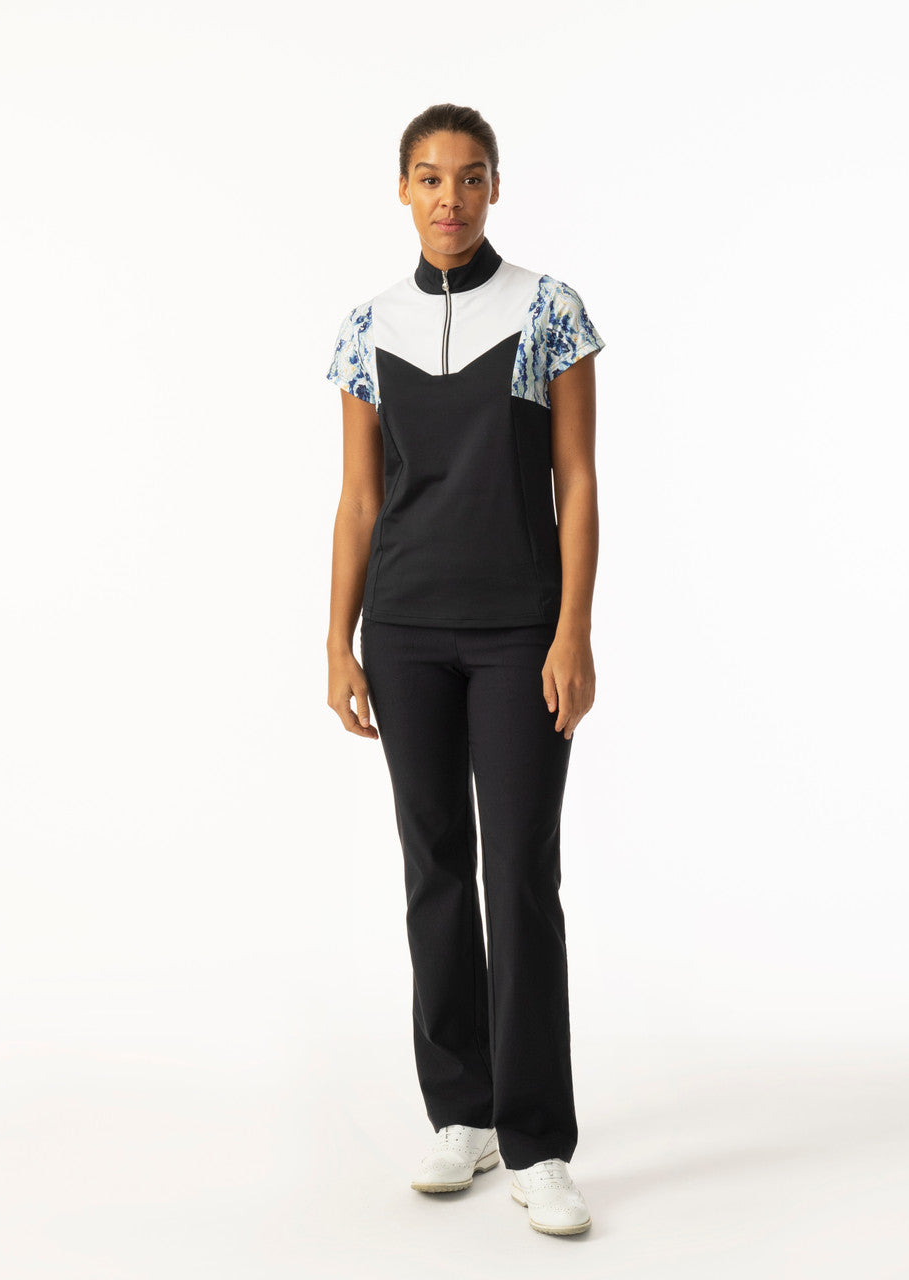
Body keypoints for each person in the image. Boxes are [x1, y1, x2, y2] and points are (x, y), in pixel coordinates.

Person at [324, 102, 604, 1237]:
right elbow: (359, 500)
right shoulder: (368, 327)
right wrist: (337, 640)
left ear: (496, 188)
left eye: (471, 176)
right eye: (431, 178)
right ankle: (462, 1114)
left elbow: (578, 480)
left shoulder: (548, 309)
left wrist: (573, 630)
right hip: (403, 633)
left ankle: (538, 1141)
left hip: (518, 632)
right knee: (434, 866)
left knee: (520, 875)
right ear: (403, 190)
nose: (451, 197)